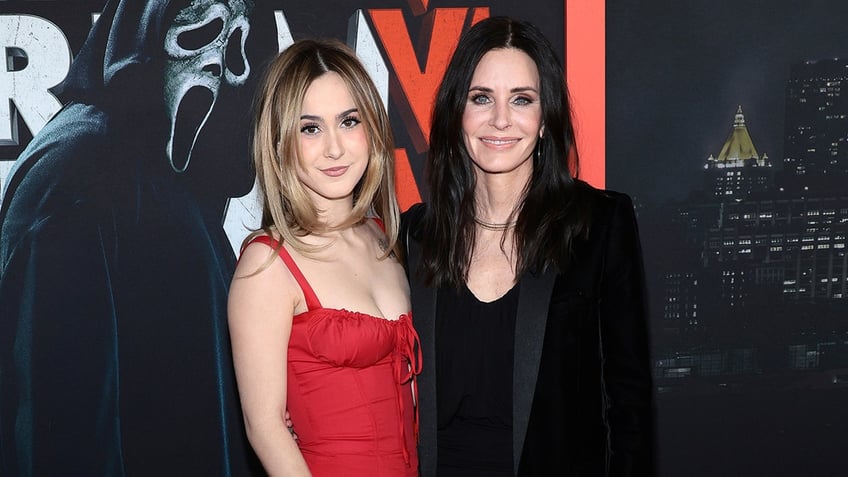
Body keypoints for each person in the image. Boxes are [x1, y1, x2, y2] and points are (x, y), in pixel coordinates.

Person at [0, 0, 265, 474]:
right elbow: (59, 428)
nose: (219, 67)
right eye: (198, 34)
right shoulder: (83, 171)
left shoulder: (158, 172)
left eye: (242, 47)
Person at [401, 16, 655, 477]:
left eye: (522, 99)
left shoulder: (598, 225)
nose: (501, 119)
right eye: (482, 98)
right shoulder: (415, 237)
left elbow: (629, 404)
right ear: (458, 113)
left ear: (544, 121)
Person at [228, 39, 421, 477]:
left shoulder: (388, 243)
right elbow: (265, 428)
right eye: (309, 128)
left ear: (372, 128)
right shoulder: (267, 266)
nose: (334, 148)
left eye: (348, 121)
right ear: (280, 143)